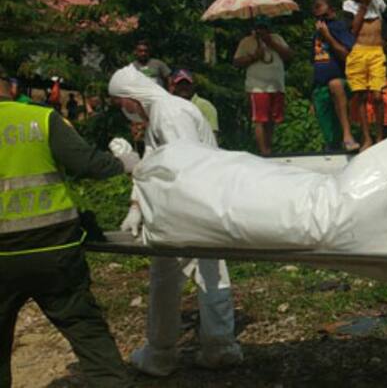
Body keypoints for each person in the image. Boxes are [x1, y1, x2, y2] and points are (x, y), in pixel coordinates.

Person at [0, 64, 139, 388]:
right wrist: (124, 163)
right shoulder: (39, 118)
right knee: (86, 330)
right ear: (8, 85)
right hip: (55, 251)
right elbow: (86, 163)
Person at [108, 65, 243, 376]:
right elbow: (159, 166)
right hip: (193, 205)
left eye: (120, 105)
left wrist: (133, 167)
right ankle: (214, 347)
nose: (123, 112)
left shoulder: (170, 113)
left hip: (188, 207)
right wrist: (136, 204)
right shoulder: (161, 114)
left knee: (176, 277)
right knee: (206, 272)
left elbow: (183, 166)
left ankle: (164, 353)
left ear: (130, 98)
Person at [343, 0, 387, 151]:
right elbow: (353, 30)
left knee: (378, 96)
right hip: (357, 52)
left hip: (377, 52)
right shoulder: (348, 6)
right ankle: (366, 138)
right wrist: (363, 6)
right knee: (361, 96)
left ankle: (380, 137)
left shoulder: (378, 1)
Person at [234, 15, 293, 156]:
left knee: (272, 120)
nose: (262, 31)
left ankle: (268, 147)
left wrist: (271, 43)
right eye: (259, 28)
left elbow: (289, 55)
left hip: (276, 85)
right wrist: (254, 56)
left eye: (264, 28)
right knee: (260, 119)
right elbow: (236, 62)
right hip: (257, 86)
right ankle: (263, 151)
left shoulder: (277, 38)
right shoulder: (247, 42)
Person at [312, 0, 359, 152]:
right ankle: (333, 147)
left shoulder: (338, 27)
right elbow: (314, 61)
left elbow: (347, 55)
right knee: (329, 131)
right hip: (320, 86)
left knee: (335, 84)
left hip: (340, 82)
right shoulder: (316, 33)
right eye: (318, 17)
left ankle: (348, 136)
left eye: (324, 16)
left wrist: (328, 37)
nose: (321, 21)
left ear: (332, 11)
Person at [170, 69, 220, 136]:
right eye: (180, 84)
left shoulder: (206, 106)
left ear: (193, 85)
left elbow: (213, 135)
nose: (184, 87)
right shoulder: (169, 106)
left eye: (187, 84)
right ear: (174, 86)